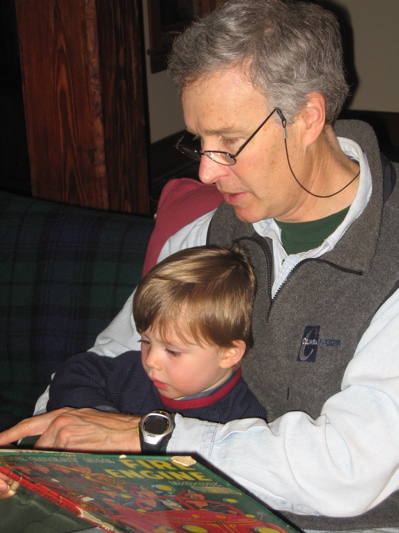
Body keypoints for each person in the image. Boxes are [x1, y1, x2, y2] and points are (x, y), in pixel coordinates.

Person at [1, 0, 399, 531]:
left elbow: (348, 469)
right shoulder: (207, 236)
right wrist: (65, 437)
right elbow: (119, 349)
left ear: (308, 117)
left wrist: (152, 435)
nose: (207, 174)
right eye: (200, 142)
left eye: (230, 144)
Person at [46, 245, 267, 424]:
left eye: (172, 351)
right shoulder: (132, 376)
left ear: (229, 354)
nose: (151, 360)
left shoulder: (243, 420)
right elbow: (75, 372)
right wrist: (102, 417)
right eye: (145, 340)